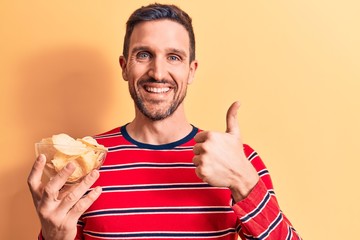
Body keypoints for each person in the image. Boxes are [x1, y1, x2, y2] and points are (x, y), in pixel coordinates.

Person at [28, 3, 302, 240]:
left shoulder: (236, 160)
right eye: (144, 54)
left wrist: (244, 183)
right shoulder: (82, 162)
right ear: (125, 67)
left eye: (174, 57)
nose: (158, 72)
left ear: (191, 70)